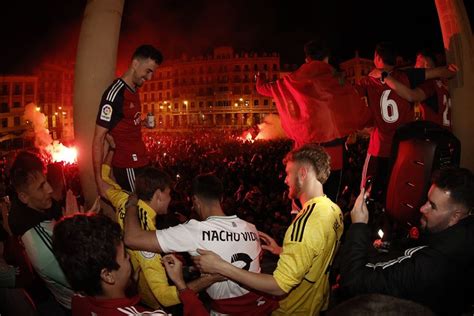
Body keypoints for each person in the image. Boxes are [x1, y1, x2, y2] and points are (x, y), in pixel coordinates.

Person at [193, 144, 344, 315]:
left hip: (292, 310)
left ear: (302, 173)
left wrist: (222, 267)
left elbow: (278, 286)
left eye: (288, 173)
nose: (285, 180)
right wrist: (282, 250)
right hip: (315, 304)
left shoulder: (306, 222)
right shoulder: (334, 210)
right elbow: (318, 254)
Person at [124, 174, 279, 315]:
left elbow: (132, 238)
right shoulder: (251, 228)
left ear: (195, 201)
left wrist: (131, 205)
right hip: (259, 309)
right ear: (222, 198)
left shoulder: (195, 231)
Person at [339, 167, 474, 315]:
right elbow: (405, 252)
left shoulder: (432, 264)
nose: (423, 208)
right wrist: (381, 247)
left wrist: (358, 225)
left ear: (455, 216)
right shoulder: (457, 233)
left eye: (432, 206)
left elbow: (353, 282)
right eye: (427, 200)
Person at [99, 144, 218, 310]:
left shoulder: (125, 199)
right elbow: (165, 297)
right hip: (152, 305)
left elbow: (103, 183)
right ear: (159, 195)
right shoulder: (146, 240)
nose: (170, 199)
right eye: (169, 194)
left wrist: (111, 150)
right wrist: (210, 279)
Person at [256, 38, 371, 201]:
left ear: (307, 58)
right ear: (327, 58)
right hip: (333, 157)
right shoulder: (339, 81)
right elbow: (356, 104)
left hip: (305, 155)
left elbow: (263, 89)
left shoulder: (291, 80)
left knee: (305, 203)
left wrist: (259, 78)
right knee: (328, 202)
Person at [357, 42, 457, 201]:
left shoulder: (368, 81)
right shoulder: (410, 76)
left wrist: (384, 77)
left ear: (377, 57)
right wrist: (450, 70)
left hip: (382, 147)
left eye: (419, 64)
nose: (417, 67)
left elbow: (411, 96)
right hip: (408, 147)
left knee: (368, 193)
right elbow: (444, 72)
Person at [52, 213, 208, 316]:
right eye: (125, 255)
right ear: (108, 275)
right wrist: (181, 285)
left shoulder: (78, 301)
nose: (129, 259)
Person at [8, 151, 74, 313]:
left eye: (46, 182)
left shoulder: (38, 210)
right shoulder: (39, 245)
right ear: (24, 197)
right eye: (41, 187)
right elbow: (79, 276)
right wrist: (74, 229)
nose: (50, 189)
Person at [93, 44, 163, 195]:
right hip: (128, 165)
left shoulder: (134, 89)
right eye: (148, 71)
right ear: (135, 64)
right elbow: (98, 138)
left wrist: (142, 123)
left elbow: (126, 121)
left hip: (140, 160)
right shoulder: (114, 94)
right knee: (137, 209)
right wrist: (99, 181)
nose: (150, 77)